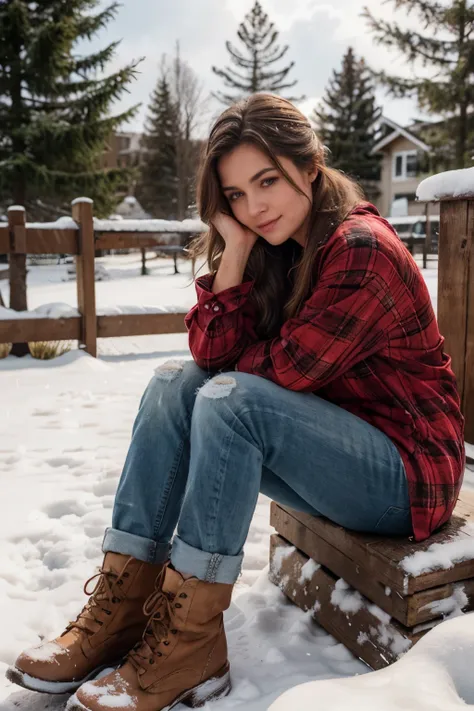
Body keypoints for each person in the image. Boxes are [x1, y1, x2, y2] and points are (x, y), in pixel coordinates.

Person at [6, 94, 465, 711]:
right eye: (236, 195)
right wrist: (238, 249)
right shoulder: (278, 247)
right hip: (338, 449)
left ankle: (191, 643)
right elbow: (206, 350)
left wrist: (226, 367)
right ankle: (121, 608)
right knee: (175, 384)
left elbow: (282, 371)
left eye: (267, 180)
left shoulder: (362, 250)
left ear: (311, 164)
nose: (254, 206)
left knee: (230, 399)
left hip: (408, 476)